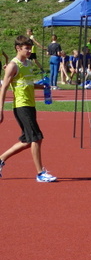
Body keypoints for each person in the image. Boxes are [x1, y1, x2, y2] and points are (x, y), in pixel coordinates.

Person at [0, 35, 57, 182]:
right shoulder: (13, 65)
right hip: (21, 106)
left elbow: (28, 84)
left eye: (30, 48)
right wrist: (0, 109)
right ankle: (40, 173)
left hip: (31, 105)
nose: (30, 51)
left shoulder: (28, 63)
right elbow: (4, 87)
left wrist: (43, 86)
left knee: (27, 141)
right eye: (27, 48)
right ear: (18, 48)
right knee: (37, 138)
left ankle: (1, 159)